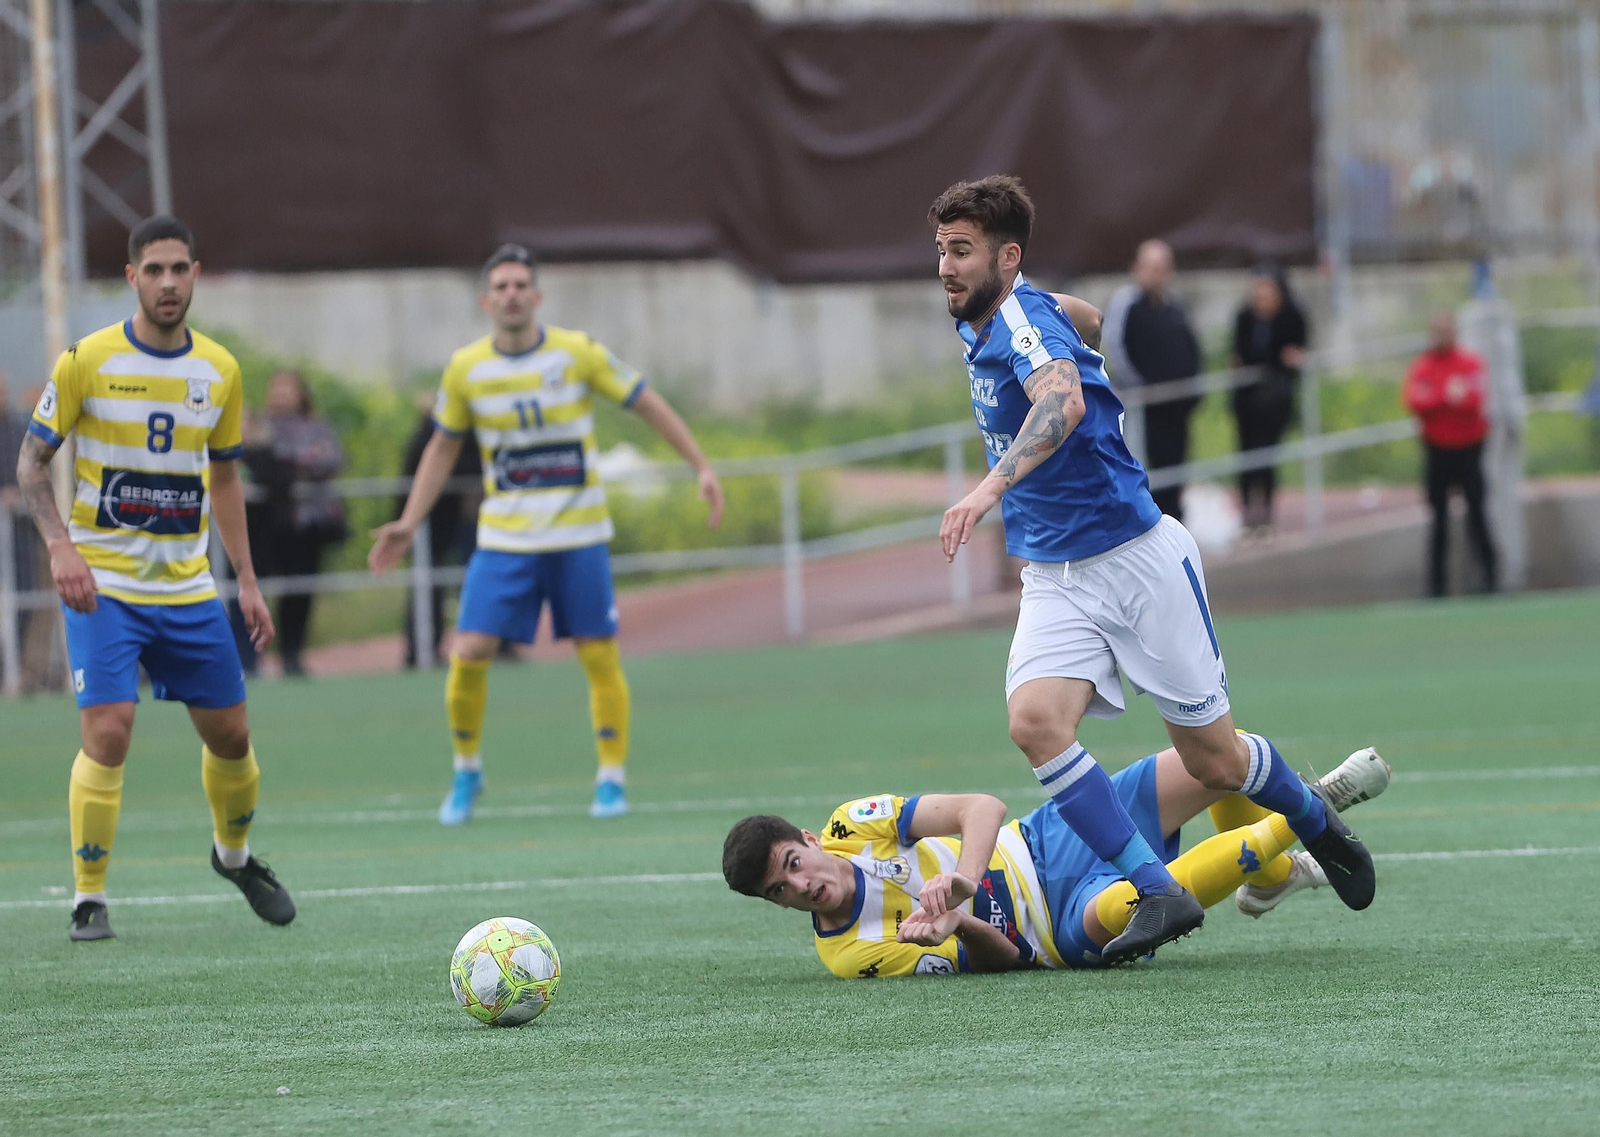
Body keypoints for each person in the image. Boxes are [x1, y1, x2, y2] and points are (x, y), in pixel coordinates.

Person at [929, 176, 1373, 965]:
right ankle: (1154, 885)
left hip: (1136, 565)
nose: (945, 268)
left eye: (960, 252)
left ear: (1006, 255)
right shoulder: (1002, 307)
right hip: (1057, 575)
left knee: (1217, 761)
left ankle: (1316, 823)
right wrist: (1050, 315)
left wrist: (990, 486)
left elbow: (1061, 404)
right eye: (940, 251)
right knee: (1034, 723)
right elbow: (1088, 320)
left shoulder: (1020, 321)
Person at [369, 244, 725, 822]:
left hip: (579, 535)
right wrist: (410, 522)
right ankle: (466, 772)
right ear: (486, 301)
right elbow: (441, 445)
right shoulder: (466, 369)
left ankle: (611, 779)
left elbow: (645, 401)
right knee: (468, 652)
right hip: (506, 540)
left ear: (537, 296)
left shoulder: (576, 352)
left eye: (520, 285)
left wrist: (701, 465)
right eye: (501, 287)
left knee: (599, 656)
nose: (511, 295)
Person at [12, 215, 295, 942]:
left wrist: (248, 579)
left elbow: (225, 478)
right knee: (110, 729)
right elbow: (31, 464)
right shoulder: (89, 359)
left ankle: (232, 856)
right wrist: (59, 546)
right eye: (154, 270)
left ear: (195, 274)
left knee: (232, 734)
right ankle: (88, 895)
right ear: (132, 278)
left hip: (187, 587)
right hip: (102, 584)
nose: (168, 282)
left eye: (180, 269)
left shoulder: (220, 370)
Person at [722, 746, 1390, 977]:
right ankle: (1315, 808)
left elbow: (980, 806)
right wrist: (962, 926)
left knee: (1217, 756)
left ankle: (1274, 878)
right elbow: (1006, 962)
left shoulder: (850, 824)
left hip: (1046, 838)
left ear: (809, 837)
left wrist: (961, 882)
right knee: (1143, 903)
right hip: (1057, 927)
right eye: (781, 891)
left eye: (792, 862)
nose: (802, 884)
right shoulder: (850, 953)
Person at [240, 370, 347, 676]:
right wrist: (295, 464)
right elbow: (264, 459)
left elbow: (331, 460)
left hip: (310, 524)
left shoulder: (317, 425)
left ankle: (292, 654)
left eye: (290, 389)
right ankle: (254, 657)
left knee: (301, 590)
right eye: (278, 388)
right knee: (260, 589)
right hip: (269, 523)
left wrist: (291, 463)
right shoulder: (260, 423)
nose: (283, 395)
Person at [1101, 240, 1203, 522]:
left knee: (1176, 469)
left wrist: (1194, 389)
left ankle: (1174, 521)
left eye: (1164, 268)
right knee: (1146, 469)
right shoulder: (1128, 303)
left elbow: (1191, 347)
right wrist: (1140, 388)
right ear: (1138, 268)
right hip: (1145, 407)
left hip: (1177, 406)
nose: (1159, 274)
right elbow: (1115, 347)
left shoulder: (1174, 307)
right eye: (1152, 267)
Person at [1404, 311, 1498, 597]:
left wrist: (1441, 399)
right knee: (1438, 519)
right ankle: (1437, 586)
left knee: (1478, 514)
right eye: (1436, 330)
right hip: (1437, 450)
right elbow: (1415, 401)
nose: (1440, 335)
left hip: (1469, 449)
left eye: (1446, 329)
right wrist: (1447, 396)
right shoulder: (1422, 366)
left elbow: (1474, 399)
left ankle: (1490, 579)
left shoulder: (1469, 362)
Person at [396, 396, 483, 668]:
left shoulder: (478, 426)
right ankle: (421, 648)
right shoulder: (432, 429)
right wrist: (406, 523)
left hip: (470, 518)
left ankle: (496, 642)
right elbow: (421, 462)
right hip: (432, 520)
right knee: (427, 581)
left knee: (480, 577)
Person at [1229, 266, 1308, 534]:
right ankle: (1248, 512)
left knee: (1267, 454)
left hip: (1275, 400)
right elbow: (1241, 355)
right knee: (1246, 453)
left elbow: (1293, 354)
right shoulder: (1245, 317)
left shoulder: (1290, 317)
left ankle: (1266, 514)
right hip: (1247, 399)